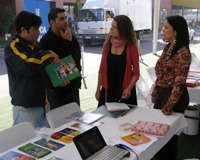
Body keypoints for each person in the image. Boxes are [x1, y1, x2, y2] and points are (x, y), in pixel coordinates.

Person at [4, 11, 59, 128]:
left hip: (44, 106)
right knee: (24, 144)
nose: (39, 32)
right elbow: (27, 64)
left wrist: (59, 79)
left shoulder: (36, 46)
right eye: (36, 28)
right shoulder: (12, 46)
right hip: (26, 109)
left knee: (47, 143)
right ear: (24, 30)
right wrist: (48, 53)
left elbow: (44, 70)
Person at [151, 15, 191, 160]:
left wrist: (168, 106)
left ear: (176, 32)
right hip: (162, 95)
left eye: (166, 27)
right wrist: (156, 91)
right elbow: (161, 74)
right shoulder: (168, 47)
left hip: (174, 99)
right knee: (157, 133)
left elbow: (179, 84)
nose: (163, 29)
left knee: (169, 138)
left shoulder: (183, 52)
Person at [40, 8, 82, 110]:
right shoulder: (46, 41)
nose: (65, 21)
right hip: (58, 92)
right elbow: (56, 63)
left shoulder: (70, 34)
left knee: (78, 121)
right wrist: (66, 42)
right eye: (61, 19)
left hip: (73, 88)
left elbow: (76, 57)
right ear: (52, 22)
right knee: (59, 123)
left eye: (66, 18)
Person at [95, 15, 140, 107]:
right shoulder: (107, 45)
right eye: (111, 26)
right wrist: (98, 89)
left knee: (125, 119)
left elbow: (136, 73)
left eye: (114, 27)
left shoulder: (131, 47)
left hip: (124, 89)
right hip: (108, 88)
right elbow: (101, 69)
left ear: (122, 29)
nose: (110, 29)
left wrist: (128, 89)